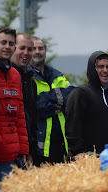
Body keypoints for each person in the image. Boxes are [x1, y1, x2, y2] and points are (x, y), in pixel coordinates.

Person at [0, 27, 29, 192]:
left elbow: (20, 115)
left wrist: (23, 148)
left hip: (12, 155)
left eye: (11, 43)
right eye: (3, 42)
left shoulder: (15, 75)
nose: (7, 47)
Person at [30, 36, 73, 164]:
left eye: (41, 48)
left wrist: (48, 98)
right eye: (33, 48)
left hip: (61, 147)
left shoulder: (58, 76)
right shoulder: (27, 77)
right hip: (39, 150)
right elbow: (36, 107)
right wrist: (59, 104)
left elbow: (71, 97)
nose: (38, 51)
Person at [11, 33, 38, 166]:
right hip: (11, 150)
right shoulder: (7, 76)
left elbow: (32, 118)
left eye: (30, 49)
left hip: (27, 151)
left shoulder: (30, 81)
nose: (26, 53)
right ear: (13, 48)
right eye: (22, 48)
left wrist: (30, 150)